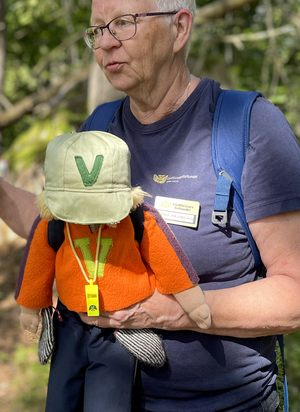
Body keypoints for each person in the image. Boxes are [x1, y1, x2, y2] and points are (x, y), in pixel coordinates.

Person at [0, 0, 300, 412]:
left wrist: (169, 309)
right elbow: (56, 228)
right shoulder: (99, 128)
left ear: (179, 28)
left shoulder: (246, 127)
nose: (105, 44)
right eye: (97, 30)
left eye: (122, 23)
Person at [15, 131, 212, 411]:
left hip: (119, 329)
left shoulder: (136, 219)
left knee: (108, 401)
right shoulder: (54, 223)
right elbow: (38, 264)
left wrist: (193, 301)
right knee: (61, 397)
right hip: (69, 322)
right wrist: (30, 306)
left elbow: (167, 260)